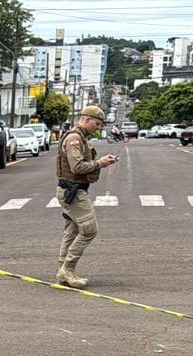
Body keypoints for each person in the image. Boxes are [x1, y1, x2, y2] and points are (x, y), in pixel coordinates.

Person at [55, 105, 118, 289]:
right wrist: (100, 163)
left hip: (72, 190)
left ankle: (63, 271)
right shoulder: (75, 139)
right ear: (86, 119)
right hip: (73, 191)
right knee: (89, 230)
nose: (98, 128)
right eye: (97, 124)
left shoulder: (79, 138)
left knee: (72, 230)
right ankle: (67, 270)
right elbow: (77, 167)